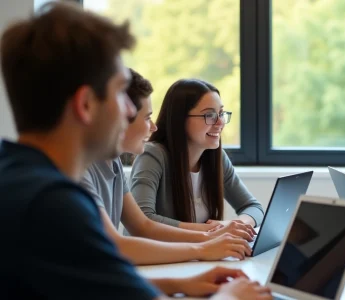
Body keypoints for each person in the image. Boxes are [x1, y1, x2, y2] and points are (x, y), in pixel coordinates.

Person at [0, 3, 270, 299]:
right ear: (86, 104)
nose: (130, 109)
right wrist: (231, 296)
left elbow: (95, 282)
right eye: (120, 91)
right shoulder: (53, 204)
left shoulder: (17, 175)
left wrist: (177, 284)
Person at [79, 68, 254, 268]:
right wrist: (206, 242)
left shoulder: (113, 163)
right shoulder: (81, 170)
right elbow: (119, 243)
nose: (153, 127)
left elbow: (142, 225)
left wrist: (215, 237)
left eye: (221, 114)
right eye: (146, 118)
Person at [130, 79, 264, 231]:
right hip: (154, 254)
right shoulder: (153, 155)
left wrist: (228, 225)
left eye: (220, 113)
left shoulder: (216, 158)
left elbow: (254, 208)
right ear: (180, 119)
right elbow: (143, 218)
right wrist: (212, 231)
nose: (220, 122)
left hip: (196, 253)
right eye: (209, 115)